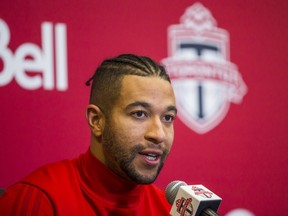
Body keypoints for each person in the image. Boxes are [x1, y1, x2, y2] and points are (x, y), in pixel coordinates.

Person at [0, 54, 177, 215]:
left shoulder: (170, 210)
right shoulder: (41, 198)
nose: (159, 134)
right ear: (97, 121)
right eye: (139, 114)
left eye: (168, 117)